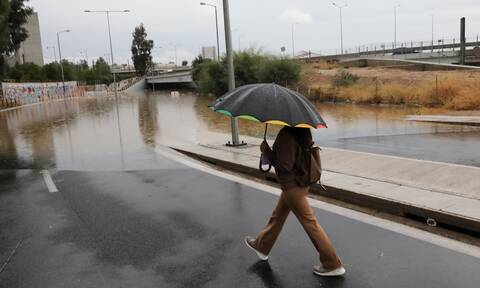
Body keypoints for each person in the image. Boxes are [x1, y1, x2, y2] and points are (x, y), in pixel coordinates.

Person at [245, 126, 346, 277]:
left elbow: (285, 165)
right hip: (299, 183)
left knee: (310, 224)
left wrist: (267, 152)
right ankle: (262, 246)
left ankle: (332, 264)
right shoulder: (302, 131)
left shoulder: (286, 134)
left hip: (292, 187)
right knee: (277, 216)